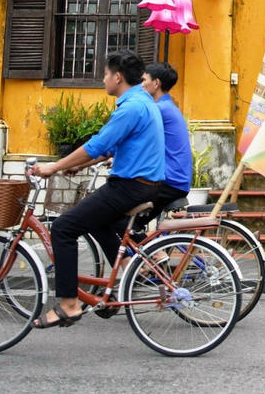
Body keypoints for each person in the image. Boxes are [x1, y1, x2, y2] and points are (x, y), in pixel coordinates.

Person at [29, 50, 164, 329]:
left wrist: (53, 167)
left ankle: (69, 304)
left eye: (104, 74)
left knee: (64, 228)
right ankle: (129, 268)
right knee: (97, 223)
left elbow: (97, 145)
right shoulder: (142, 101)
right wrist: (78, 165)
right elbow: (109, 148)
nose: (103, 80)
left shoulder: (131, 108)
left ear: (117, 76)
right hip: (140, 186)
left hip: (129, 187)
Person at [110, 61, 194, 240]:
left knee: (119, 220)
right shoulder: (168, 107)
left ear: (156, 84)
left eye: (144, 80)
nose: (141, 85)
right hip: (175, 178)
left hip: (169, 180)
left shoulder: (158, 110)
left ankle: (154, 257)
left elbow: (132, 138)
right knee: (129, 222)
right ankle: (144, 259)